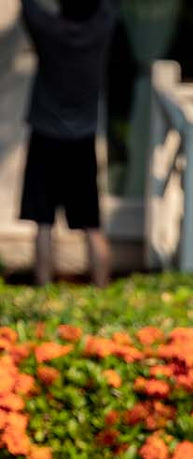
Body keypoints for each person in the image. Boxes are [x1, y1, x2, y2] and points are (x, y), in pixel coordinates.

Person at [18, 0, 120, 288]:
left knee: (43, 224)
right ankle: (102, 290)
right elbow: (113, 6)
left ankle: (43, 289)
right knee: (92, 225)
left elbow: (28, 8)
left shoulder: (48, 30)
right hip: (82, 142)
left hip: (45, 138)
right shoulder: (100, 29)